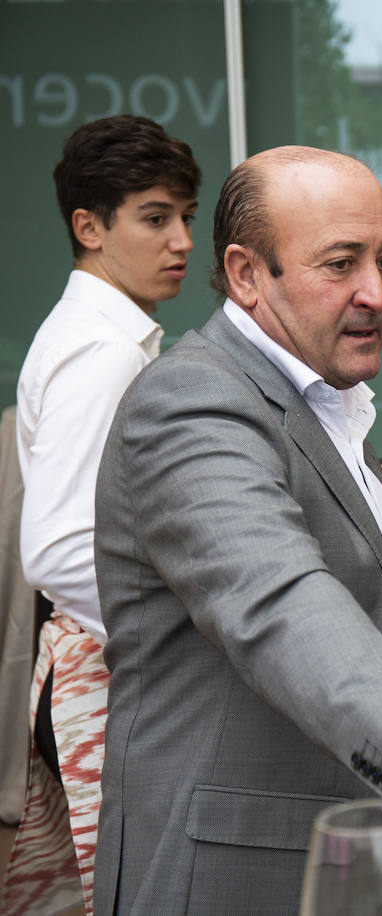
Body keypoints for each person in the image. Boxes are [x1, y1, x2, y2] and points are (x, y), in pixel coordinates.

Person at [91, 146, 382, 914]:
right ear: (246, 274)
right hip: (238, 876)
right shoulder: (190, 403)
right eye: (340, 264)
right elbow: (281, 605)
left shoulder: (324, 402)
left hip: (359, 855)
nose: (376, 293)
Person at [2, 114, 200, 916]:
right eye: (156, 218)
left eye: (187, 215)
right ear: (89, 227)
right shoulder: (102, 347)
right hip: (104, 670)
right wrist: (178, 636)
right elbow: (55, 547)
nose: (182, 239)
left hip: (87, 662)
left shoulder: (97, 330)